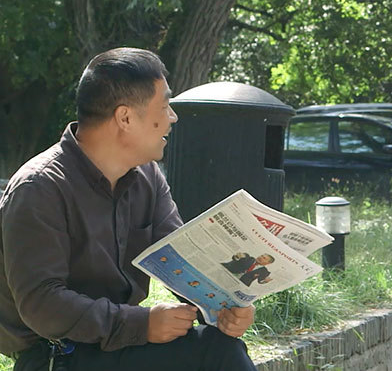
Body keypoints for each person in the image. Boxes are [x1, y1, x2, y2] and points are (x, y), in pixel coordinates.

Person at [0, 48, 259, 371]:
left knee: (220, 347)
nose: (172, 117)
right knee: (214, 355)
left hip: (120, 348)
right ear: (124, 118)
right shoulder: (39, 188)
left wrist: (224, 305)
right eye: (164, 107)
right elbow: (42, 304)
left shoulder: (147, 177)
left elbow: (180, 258)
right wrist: (141, 324)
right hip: (56, 357)